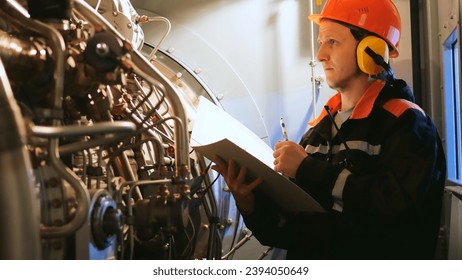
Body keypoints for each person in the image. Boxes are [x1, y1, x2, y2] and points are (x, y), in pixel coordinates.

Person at [212, 0, 446, 260]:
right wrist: (250, 203)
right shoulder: (318, 132)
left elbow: (398, 216)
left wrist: (308, 170)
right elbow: (289, 233)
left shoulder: (407, 123)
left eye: (332, 42)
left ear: (371, 49)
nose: (320, 55)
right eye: (320, 43)